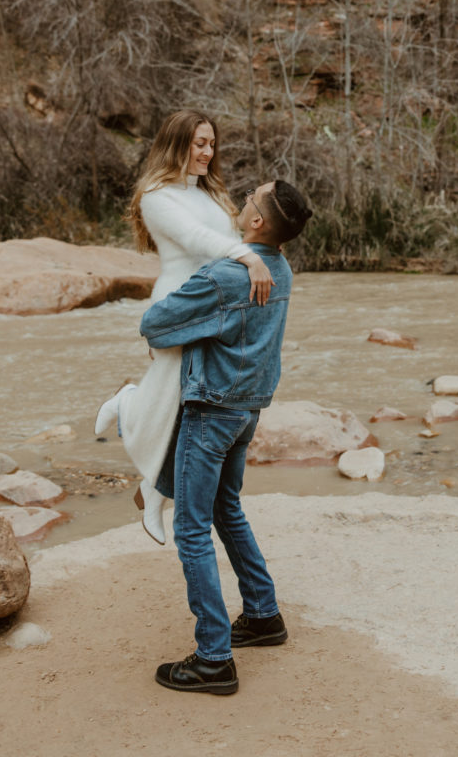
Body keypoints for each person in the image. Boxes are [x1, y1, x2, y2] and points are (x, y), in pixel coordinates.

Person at [139, 179, 312, 695]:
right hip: (247, 411)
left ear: (257, 222)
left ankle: (214, 658)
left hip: (212, 410)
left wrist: (191, 319)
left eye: (251, 199)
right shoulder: (279, 269)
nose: (242, 200)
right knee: (226, 508)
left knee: (192, 529)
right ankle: (262, 616)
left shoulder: (225, 276)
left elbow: (154, 323)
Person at [95, 110, 275, 544]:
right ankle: (128, 404)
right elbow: (197, 240)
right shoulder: (156, 197)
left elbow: (228, 236)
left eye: (211, 144)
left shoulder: (210, 192)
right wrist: (250, 258)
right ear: (177, 144)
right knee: (170, 403)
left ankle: (150, 493)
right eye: (199, 144)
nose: (207, 152)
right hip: (179, 304)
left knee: (187, 410)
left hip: (213, 308)